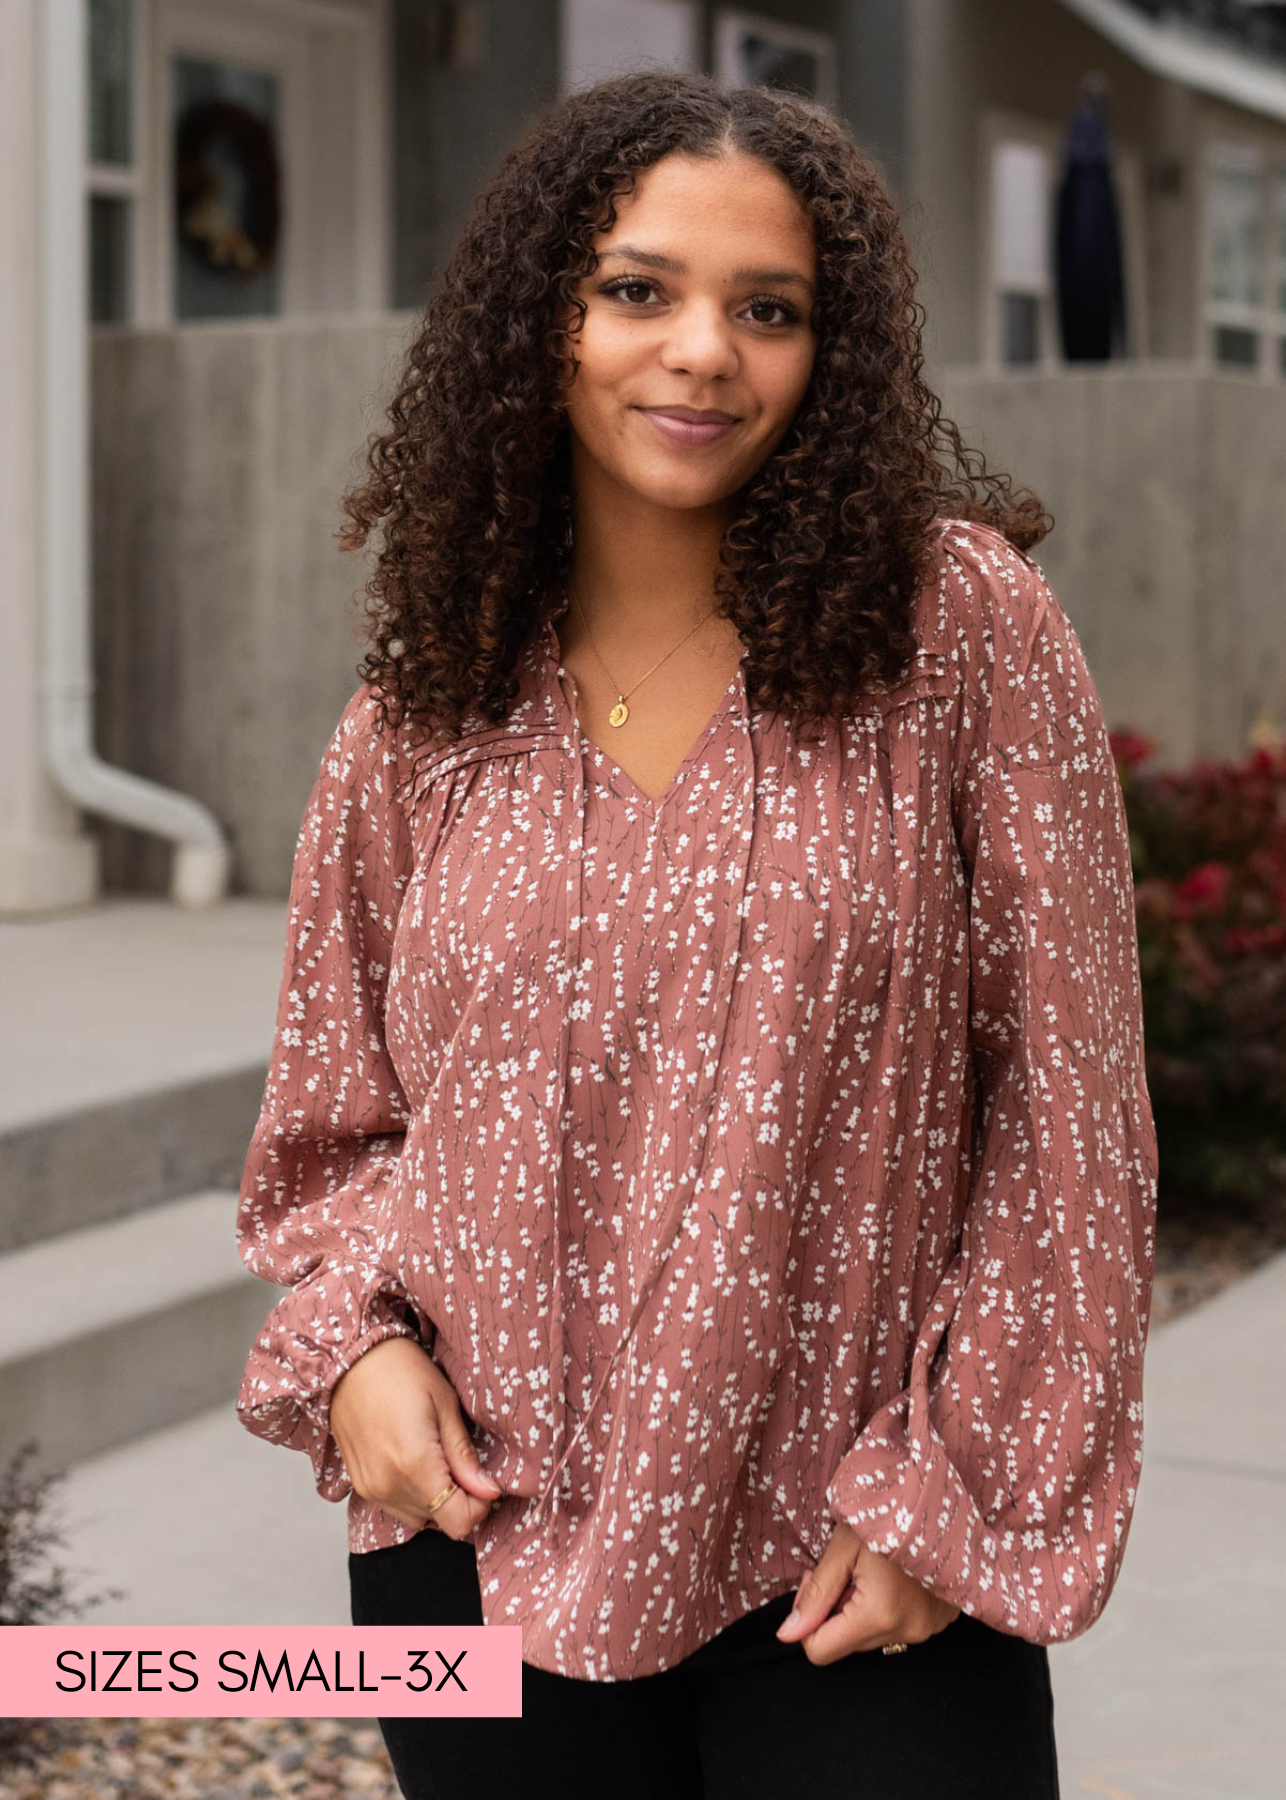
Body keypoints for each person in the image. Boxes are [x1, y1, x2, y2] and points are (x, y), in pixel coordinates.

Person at [234, 68, 1157, 1800]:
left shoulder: (956, 634)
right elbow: (331, 1127)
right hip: (476, 1539)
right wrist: (351, 1350)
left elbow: (1069, 1120)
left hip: (851, 1562)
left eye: (769, 308)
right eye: (637, 289)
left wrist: (951, 1500)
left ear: (834, 353)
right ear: (543, 321)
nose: (701, 351)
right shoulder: (424, 704)